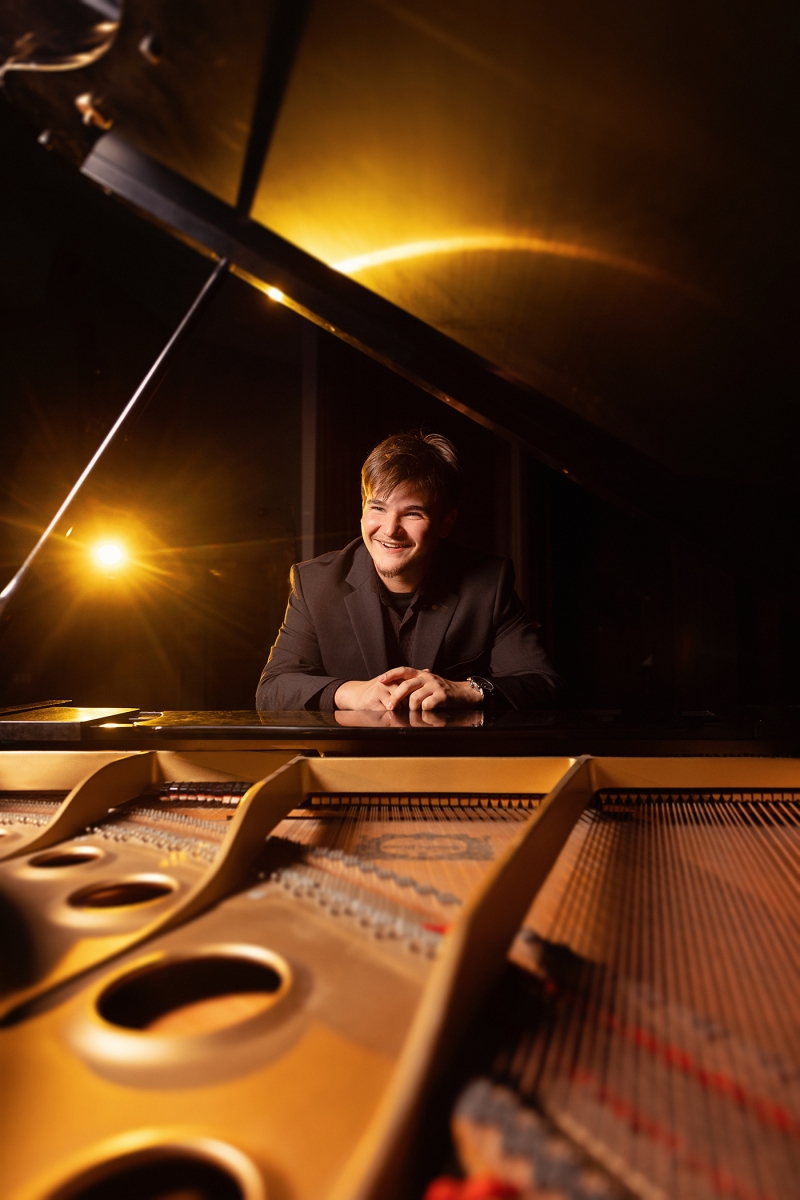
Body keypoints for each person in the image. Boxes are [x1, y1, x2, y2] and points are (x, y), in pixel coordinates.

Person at [256, 432, 560, 712]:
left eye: (412, 513)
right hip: (354, 754)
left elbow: (543, 683)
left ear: (445, 523)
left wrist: (464, 689)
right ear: (362, 508)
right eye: (378, 508)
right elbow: (272, 690)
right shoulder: (315, 583)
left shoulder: (489, 583)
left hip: (451, 753)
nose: (390, 530)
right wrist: (351, 693)